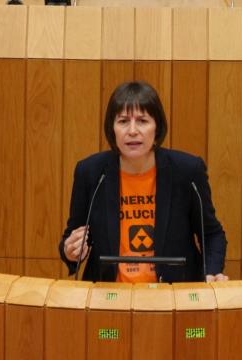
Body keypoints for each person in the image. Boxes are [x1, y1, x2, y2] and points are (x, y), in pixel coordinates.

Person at [59, 81, 228, 283]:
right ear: (112, 128)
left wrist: (211, 273)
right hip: (108, 297)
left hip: (174, 295)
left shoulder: (187, 171)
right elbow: (74, 235)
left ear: (156, 127)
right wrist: (71, 251)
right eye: (123, 121)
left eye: (142, 121)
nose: (132, 131)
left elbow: (211, 234)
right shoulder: (91, 172)